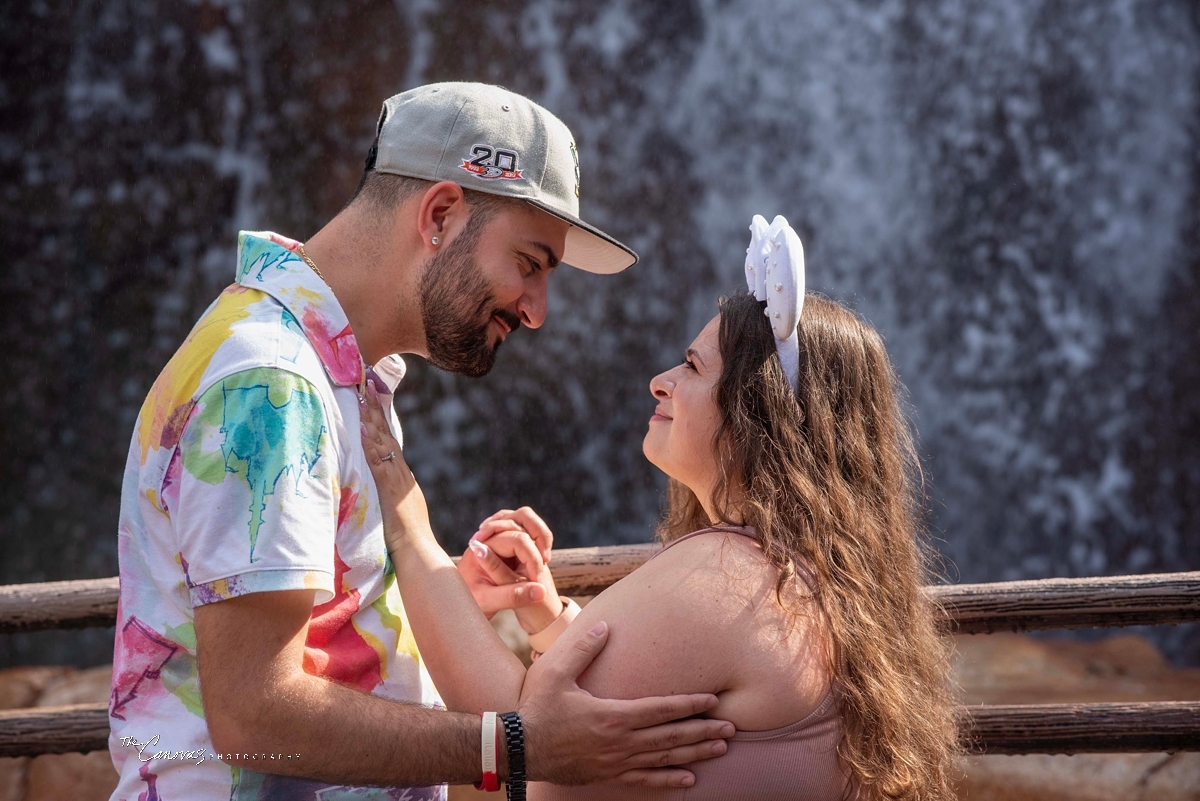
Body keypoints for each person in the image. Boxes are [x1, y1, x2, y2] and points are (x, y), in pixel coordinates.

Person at [108, 82, 736, 801]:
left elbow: (284, 626)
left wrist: (410, 604)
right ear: (439, 214)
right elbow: (255, 711)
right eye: (530, 263)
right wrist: (520, 744)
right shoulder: (272, 387)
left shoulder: (338, 373)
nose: (536, 311)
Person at [360, 216, 961, 800]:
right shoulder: (802, 576)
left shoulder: (731, 577)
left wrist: (408, 523)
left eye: (694, 367)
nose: (660, 380)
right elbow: (639, 698)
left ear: (760, 412)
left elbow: (534, 750)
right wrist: (553, 625)